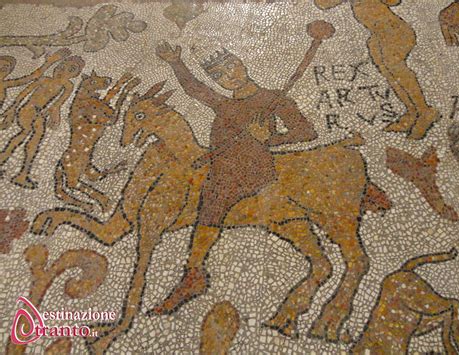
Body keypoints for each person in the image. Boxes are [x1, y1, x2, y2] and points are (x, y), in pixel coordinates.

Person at [152, 42, 317, 314]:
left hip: (252, 173)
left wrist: (271, 139)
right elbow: (196, 90)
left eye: (231, 66)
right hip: (220, 169)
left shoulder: (273, 100)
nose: (229, 76)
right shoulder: (224, 103)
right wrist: (175, 63)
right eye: (219, 75)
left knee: (212, 204)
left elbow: (307, 131)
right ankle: (194, 274)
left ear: (242, 62)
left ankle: (194, 274)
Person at [314, 0, 440, 140]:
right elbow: (322, 3)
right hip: (378, 36)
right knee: (391, 76)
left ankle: (425, 111)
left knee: (396, 68)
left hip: (395, 31)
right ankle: (412, 112)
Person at [0, 55, 85, 189]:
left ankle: (18, 171)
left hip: (39, 114)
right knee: (29, 137)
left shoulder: (67, 85)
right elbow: (24, 93)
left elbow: (58, 103)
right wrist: (12, 109)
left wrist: (52, 114)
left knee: (27, 137)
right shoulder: (44, 79)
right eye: (61, 66)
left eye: (71, 69)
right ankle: (21, 174)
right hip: (28, 110)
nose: (63, 70)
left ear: (75, 74)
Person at [0, 48, 71, 128]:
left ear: (8, 72)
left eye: (5, 68)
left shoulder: (4, 84)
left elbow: (32, 77)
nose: (1, 69)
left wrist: (51, 61)